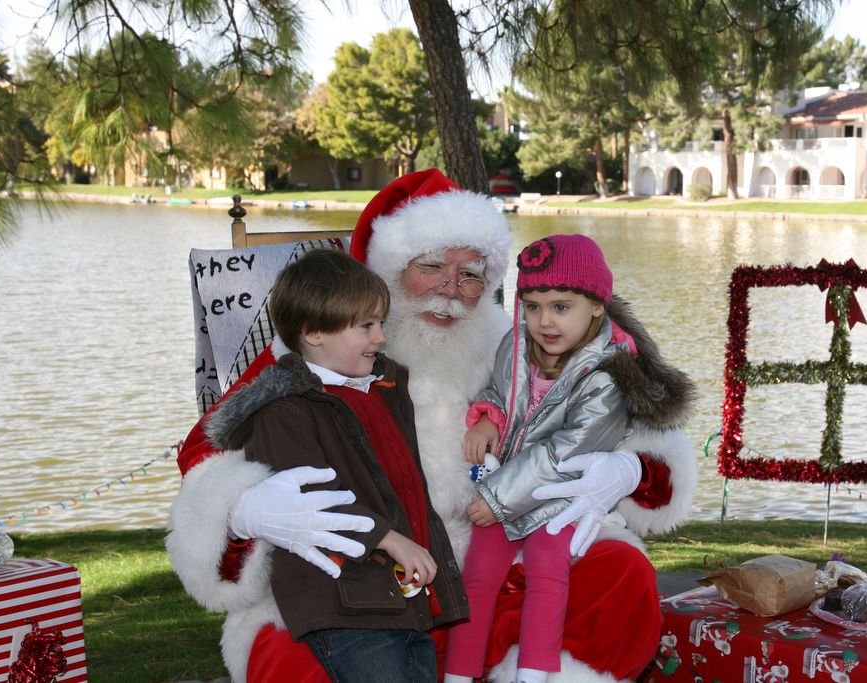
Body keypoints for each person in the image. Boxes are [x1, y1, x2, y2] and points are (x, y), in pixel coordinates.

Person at [167, 168, 699, 683]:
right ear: (387, 269)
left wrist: (627, 469)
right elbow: (203, 451)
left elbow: (637, 423)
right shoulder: (315, 349)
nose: (450, 289)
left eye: (471, 274)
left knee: (620, 576)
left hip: (496, 548)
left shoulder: (521, 342)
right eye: (431, 266)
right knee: (292, 658)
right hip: (359, 570)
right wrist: (244, 508)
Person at [199, 249, 467, 682]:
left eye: (380, 323)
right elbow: (308, 502)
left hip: (398, 595)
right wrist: (390, 539)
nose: (380, 337)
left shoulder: (382, 389)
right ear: (314, 331)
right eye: (366, 326)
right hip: (343, 600)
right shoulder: (284, 410)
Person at [444, 234, 694, 683]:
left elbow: (568, 450)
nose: (545, 321)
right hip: (512, 487)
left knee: (547, 570)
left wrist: (497, 498)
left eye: (561, 307)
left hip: (562, 494)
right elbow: (502, 391)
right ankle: (458, 674)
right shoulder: (516, 346)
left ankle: (534, 674)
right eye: (534, 305)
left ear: (596, 305)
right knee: (478, 576)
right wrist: (488, 417)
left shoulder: (608, 373)